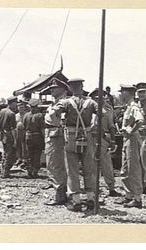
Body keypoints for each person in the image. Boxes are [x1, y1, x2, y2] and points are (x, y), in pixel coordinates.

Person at [51, 78, 99, 212]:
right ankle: (90, 199)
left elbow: (55, 112)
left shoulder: (66, 102)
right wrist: (94, 126)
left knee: (72, 170)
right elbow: (102, 114)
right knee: (89, 169)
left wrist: (60, 121)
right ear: (82, 86)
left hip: (71, 137)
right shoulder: (91, 102)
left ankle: (76, 201)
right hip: (87, 135)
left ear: (71, 88)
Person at [115, 84, 144, 208]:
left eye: (122, 92)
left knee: (133, 169)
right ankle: (128, 196)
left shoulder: (133, 106)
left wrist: (131, 130)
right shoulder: (127, 107)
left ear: (128, 93)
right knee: (125, 169)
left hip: (132, 139)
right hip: (127, 139)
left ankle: (137, 199)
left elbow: (140, 120)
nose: (121, 95)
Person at [89, 88, 122, 197]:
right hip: (92, 137)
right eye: (96, 97)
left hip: (104, 139)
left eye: (102, 96)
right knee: (92, 165)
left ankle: (111, 188)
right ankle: (93, 190)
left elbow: (112, 125)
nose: (100, 98)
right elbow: (93, 124)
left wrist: (112, 140)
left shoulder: (109, 108)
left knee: (107, 164)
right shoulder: (90, 107)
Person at [43, 79, 69, 206]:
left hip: (56, 135)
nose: (52, 89)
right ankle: (61, 192)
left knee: (55, 165)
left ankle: (60, 195)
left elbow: (56, 118)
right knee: (54, 165)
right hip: (51, 134)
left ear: (63, 90)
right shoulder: (55, 103)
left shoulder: (62, 103)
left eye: (55, 87)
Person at [23, 98, 45, 179]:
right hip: (37, 137)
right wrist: (45, 138)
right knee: (37, 154)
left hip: (28, 136)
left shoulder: (26, 115)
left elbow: (24, 126)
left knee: (29, 154)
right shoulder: (40, 115)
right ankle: (34, 171)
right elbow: (42, 129)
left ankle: (29, 171)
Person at [0, 96, 18, 178]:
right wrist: (15, 140)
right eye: (15, 103)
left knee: (5, 154)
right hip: (9, 135)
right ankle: (5, 172)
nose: (16, 105)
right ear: (12, 103)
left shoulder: (2, 111)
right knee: (10, 154)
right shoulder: (11, 114)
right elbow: (12, 128)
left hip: (3, 135)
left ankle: (3, 171)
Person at [15, 102, 27, 167]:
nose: (21, 109)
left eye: (22, 107)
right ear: (18, 108)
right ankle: (19, 158)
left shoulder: (26, 115)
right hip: (17, 131)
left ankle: (24, 159)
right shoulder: (16, 115)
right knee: (18, 145)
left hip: (24, 131)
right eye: (20, 108)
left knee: (24, 146)